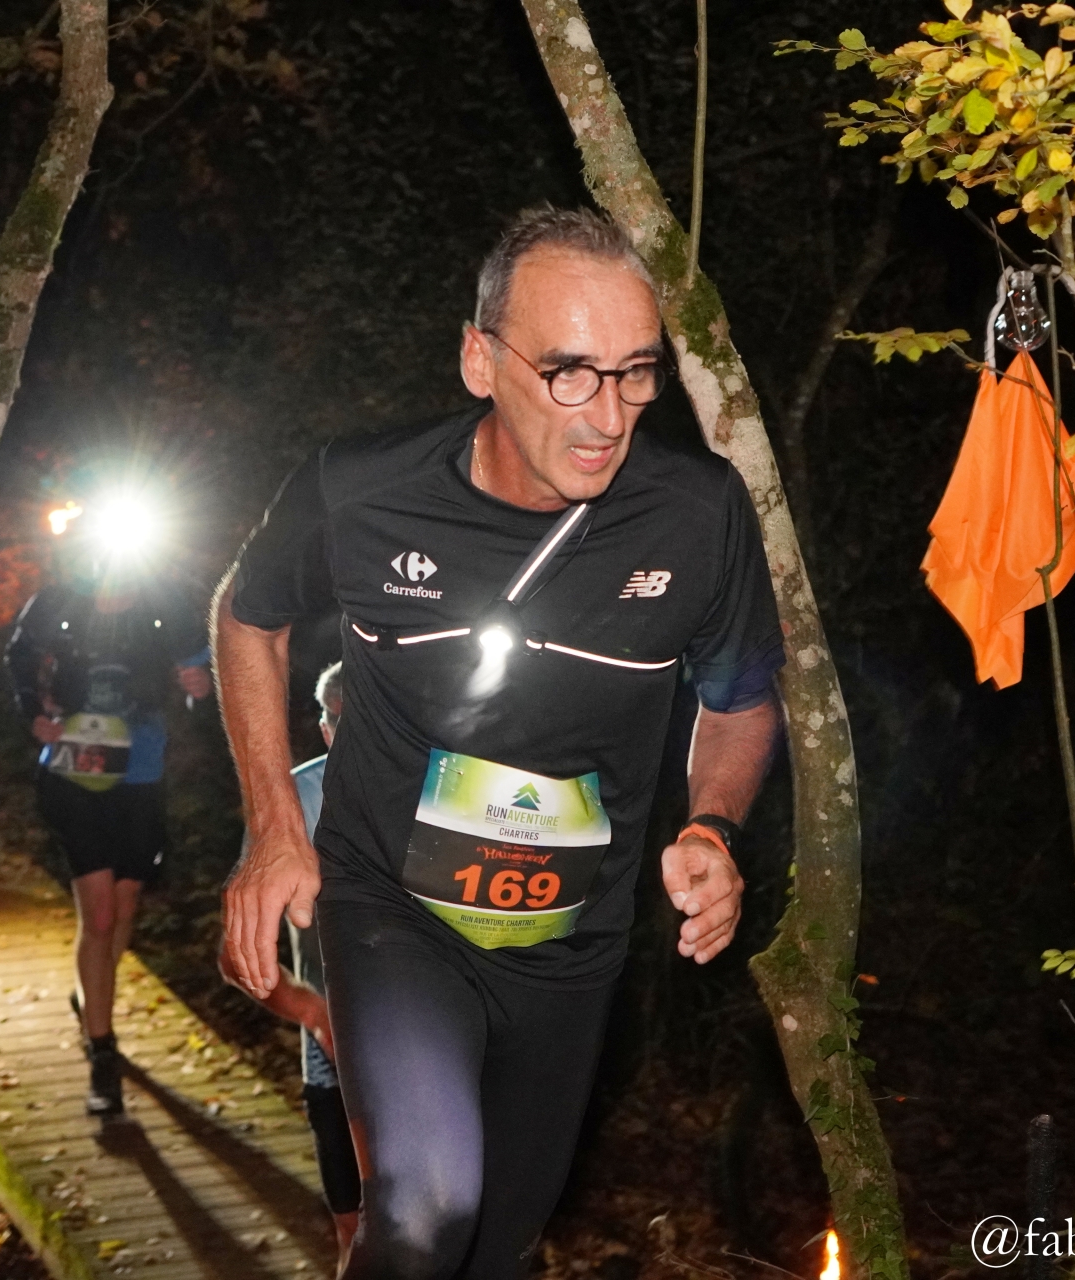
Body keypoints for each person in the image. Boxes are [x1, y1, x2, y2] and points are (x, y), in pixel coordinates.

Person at [213, 206, 786, 1278]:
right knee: (427, 1203)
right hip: (394, 908)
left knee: (495, 1251)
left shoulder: (697, 515)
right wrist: (277, 825)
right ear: (481, 361)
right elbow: (248, 616)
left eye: (636, 373)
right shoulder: (366, 490)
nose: (608, 414)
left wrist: (713, 826)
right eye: (569, 372)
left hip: (571, 943)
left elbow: (742, 700)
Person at [5, 530, 212, 1117]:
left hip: (141, 773)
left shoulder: (166, 606)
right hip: (75, 773)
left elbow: (203, 668)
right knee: (98, 913)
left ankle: (89, 995)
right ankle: (102, 1052)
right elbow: (19, 655)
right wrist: (34, 712)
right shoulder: (57, 603)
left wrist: (199, 686)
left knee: (123, 908)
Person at [219, 661, 360, 1268]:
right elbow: (235, 955)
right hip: (334, 1066)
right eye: (342, 723)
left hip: (433, 1057)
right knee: (355, 1236)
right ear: (324, 728)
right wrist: (314, 1012)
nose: (357, 739)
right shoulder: (292, 805)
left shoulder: (448, 798)